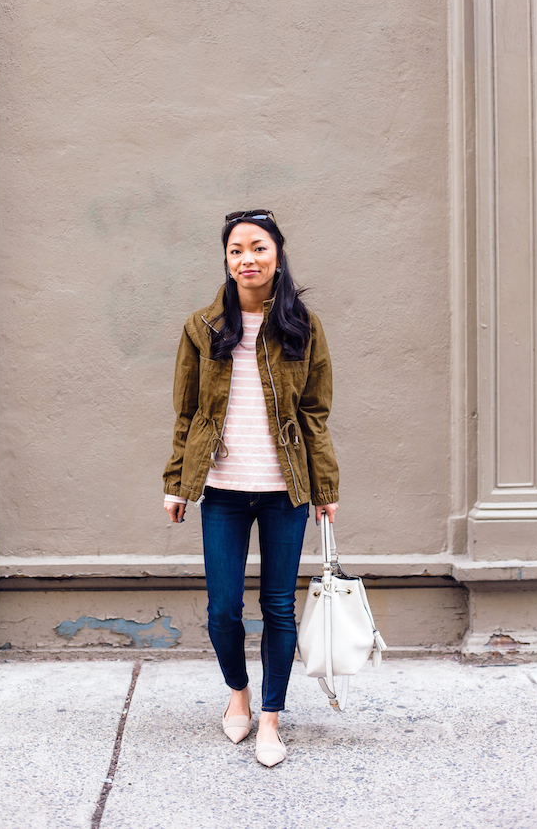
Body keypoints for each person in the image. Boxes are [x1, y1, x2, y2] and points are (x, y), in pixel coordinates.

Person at [163, 209, 339, 767]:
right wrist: (176, 484)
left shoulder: (302, 327)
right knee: (223, 610)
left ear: (278, 255)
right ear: (227, 259)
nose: (248, 260)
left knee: (279, 606)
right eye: (237, 250)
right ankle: (236, 695)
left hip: (286, 489)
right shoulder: (202, 327)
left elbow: (314, 413)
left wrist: (325, 486)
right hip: (221, 490)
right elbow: (186, 413)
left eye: (258, 248)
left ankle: (271, 718)